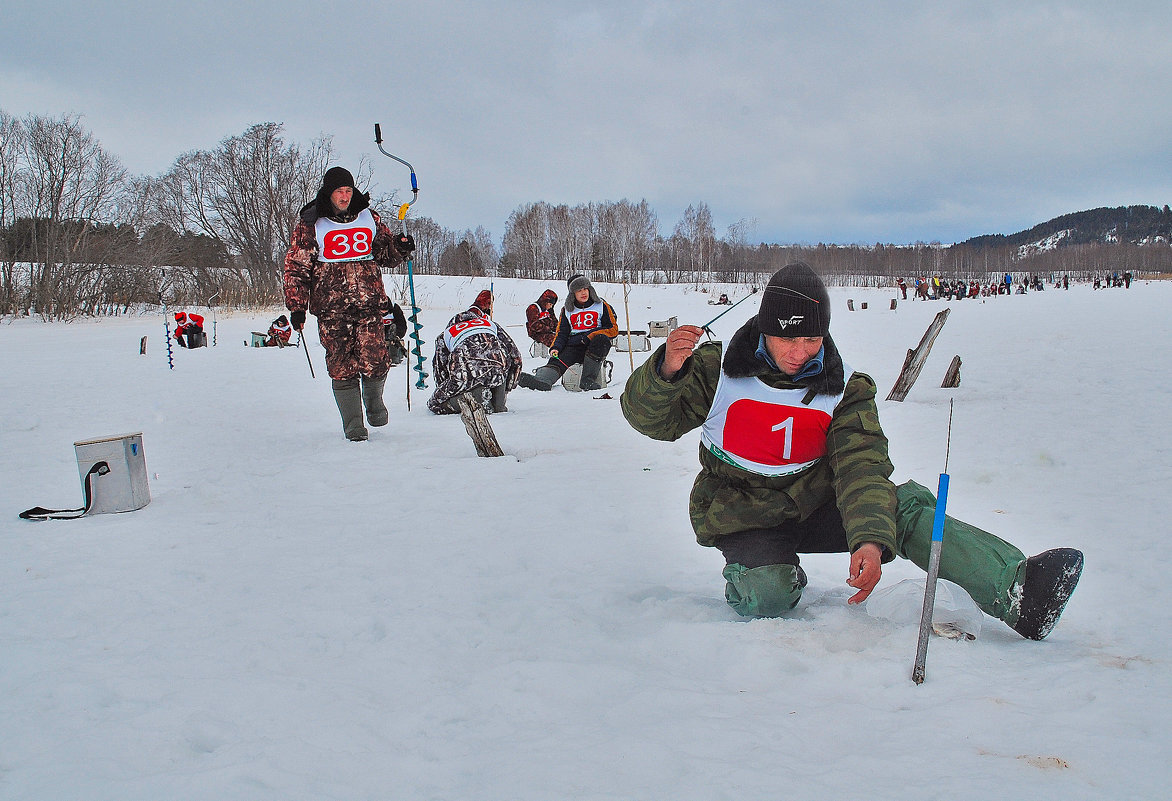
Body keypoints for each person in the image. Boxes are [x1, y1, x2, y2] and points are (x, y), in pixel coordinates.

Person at [619, 261, 1083, 640]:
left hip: (819, 504)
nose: (800, 352)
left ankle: (1017, 589)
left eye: (811, 339)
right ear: (764, 330)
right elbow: (651, 422)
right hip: (743, 512)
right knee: (766, 599)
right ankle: (777, 574)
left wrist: (868, 538)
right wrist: (665, 372)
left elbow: (861, 465)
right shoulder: (715, 369)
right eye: (787, 338)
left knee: (902, 511)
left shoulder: (845, 388)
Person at [284, 167, 415, 441]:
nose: (344, 197)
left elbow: (384, 255)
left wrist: (399, 247)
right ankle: (354, 425)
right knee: (341, 365)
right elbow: (297, 267)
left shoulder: (369, 217)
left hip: (369, 303)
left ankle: (374, 404)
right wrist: (297, 306)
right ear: (328, 193)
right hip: (332, 309)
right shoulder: (311, 224)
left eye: (348, 191)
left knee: (377, 359)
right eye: (339, 192)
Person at [428, 290, 523, 415]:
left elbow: (440, 368)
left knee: (434, 404)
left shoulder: (446, 334)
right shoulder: (491, 325)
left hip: (465, 374)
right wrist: (509, 387)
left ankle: (477, 398)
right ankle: (498, 400)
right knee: (497, 376)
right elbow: (516, 357)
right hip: (497, 373)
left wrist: (446, 391)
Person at [518, 274, 618, 392]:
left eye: (585, 289)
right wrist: (555, 347)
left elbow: (612, 329)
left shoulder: (601, 305)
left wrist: (589, 336)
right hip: (574, 345)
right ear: (573, 294)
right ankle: (542, 380)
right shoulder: (567, 310)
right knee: (560, 356)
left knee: (602, 340)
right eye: (579, 290)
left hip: (594, 346)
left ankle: (588, 380)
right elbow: (562, 333)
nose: (583, 293)